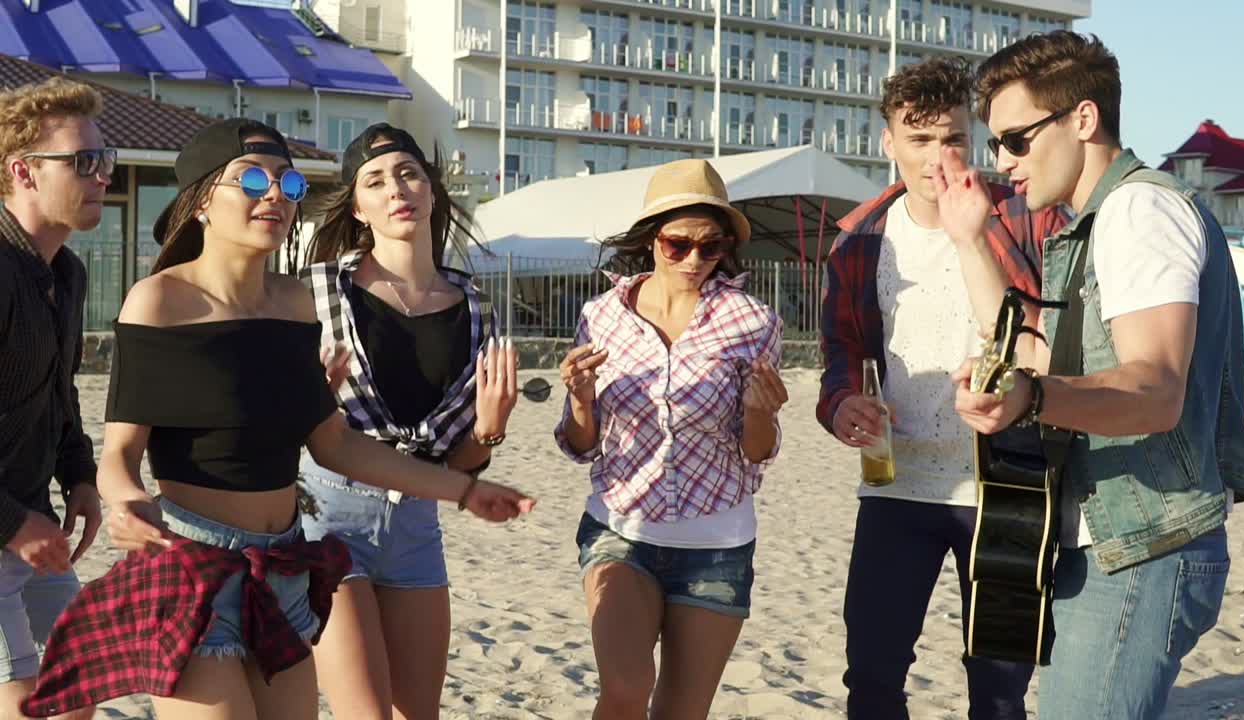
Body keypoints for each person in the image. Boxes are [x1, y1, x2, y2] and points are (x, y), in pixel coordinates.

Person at [21, 118, 534, 720]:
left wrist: (465, 489)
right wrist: (127, 502)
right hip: (192, 569)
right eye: (255, 180)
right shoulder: (160, 301)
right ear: (202, 202)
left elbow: (335, 444)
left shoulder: (295, 303)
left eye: (289, 185)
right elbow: (120, 455)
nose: (276, 196)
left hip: (284, 571)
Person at [947, 31, 1244, 719]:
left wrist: (1029, 399)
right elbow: (1035, 356)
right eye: (995, 145)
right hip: (1122, 543)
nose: (1003, 163)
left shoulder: (1138, 212)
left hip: (1143, 548)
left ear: (1082, 120)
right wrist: (970, 240)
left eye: (1016, 139)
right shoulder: (1095, 222)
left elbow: (1154, 390)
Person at [815, 57, 1068, 719]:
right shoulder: (857, 243)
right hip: (896, 486)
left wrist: (978, 234)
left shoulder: (1023, 216)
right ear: (887, 142)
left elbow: (1056, 339)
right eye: (919, 138)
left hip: (1007, 483)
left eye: (952, 138)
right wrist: (843, 405)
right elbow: (840, 355)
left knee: (1001, 692)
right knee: (871, 679)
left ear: (971, 139)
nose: (937, 156)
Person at [295, 122, 518, 720]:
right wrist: (304, 402)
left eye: (409, 173)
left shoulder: (476, 310)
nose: (397, 188)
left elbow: (460, 467)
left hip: (418, 526)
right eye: (376, 180)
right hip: (327, 516)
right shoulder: (316, 294)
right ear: (360, 207)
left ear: (432, 191)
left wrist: (489, 428)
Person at [555, 158, 788, 720]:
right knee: (627, 687)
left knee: (682, 713)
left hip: (718, 541)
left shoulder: (753, 322)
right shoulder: (602, 316)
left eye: (711, 248)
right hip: (621, 529)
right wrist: (582, 401)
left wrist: (760, 413)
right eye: (677, 244)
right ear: (650, 241)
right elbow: (580, 444)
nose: (693, 259)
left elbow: (756, 452)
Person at [0, 76, 109, 720]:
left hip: (30, 521)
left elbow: (59, 395)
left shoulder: (66, 272)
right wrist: (13, 522)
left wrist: (81, 477)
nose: (101, 176)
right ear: (24, 171)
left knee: (77, 686)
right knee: (27, 700)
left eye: (106, 159)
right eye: (84, 162)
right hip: (12, 522)